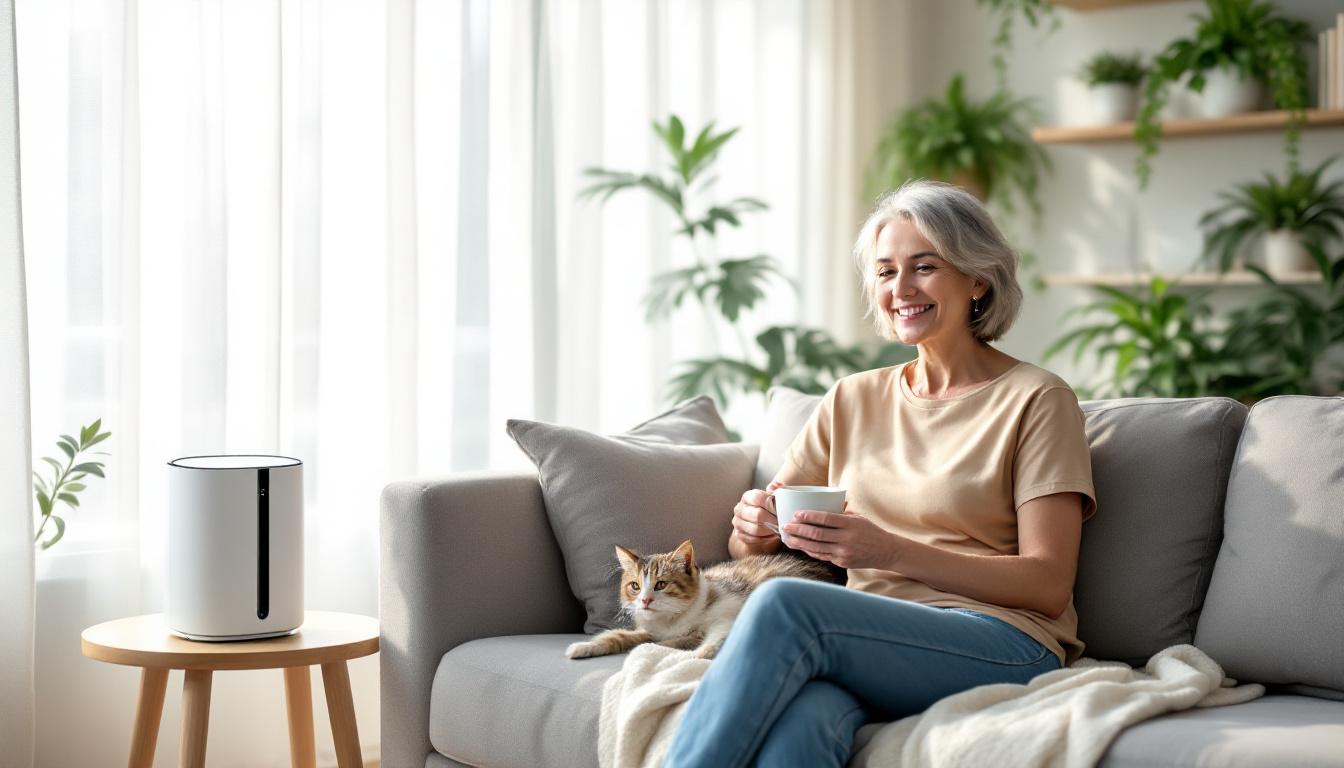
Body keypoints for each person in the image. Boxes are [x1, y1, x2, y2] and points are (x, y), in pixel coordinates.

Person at [663, 179, 1097, 767]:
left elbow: (1048, 586)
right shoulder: (851, 399)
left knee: (786, 606)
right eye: (886, 271)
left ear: (977, 279)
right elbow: (751, 544)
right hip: (866, 638)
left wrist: (888, 551)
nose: (901, 289)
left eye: (924, 267)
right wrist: (755, 527)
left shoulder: (1037, 398)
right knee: (802, 723)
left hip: (1002, 639)